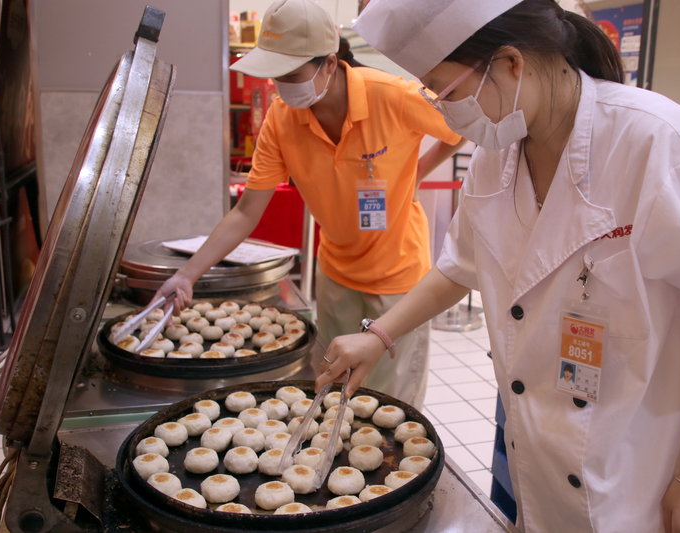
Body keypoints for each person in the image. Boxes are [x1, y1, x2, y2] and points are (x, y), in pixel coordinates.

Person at [316, 1, 680, 532]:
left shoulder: (657, 141)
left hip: (647, 467)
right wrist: (379, 335)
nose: (443, 109)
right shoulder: (500, 151)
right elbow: (459, 265)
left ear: (511, 62)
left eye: (447, 90)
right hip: (545, 456)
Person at [154, 0, 463, 409]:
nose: (281, 84)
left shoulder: (390, 95)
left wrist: (418, 170)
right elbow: (247, 211)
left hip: (397, 278)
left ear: (330, 64)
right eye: (274, 74)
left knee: (389, 404)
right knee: (335, 392)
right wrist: (187, 275)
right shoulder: (282, 121)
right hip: (335, 275)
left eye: (292, 73)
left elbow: (460, 128)